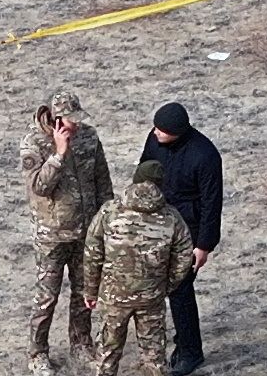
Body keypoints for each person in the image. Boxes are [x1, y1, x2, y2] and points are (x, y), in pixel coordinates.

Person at [23, 91, 115, 373]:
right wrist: (59, 154)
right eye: (70, 120)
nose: (75, 125)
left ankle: (81, 343)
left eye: (77, 119)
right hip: (52, 235)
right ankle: (37, 352)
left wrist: (106, 220)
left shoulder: (89, 137)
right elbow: (39, 186)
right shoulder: (34, 143)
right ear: (56, 118)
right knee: (47, 296)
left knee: (84, 292)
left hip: (85, 232)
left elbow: (102, 181)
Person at [84, 160, 197, 376]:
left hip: (114, 296)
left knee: (108, 353)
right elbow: (184, 255)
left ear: (135, 180)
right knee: (153, 356)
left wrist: (90, 290)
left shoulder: (109, 211)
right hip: (152, 297)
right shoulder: (172, 217)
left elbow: (92, 253)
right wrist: (165, 285)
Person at [140, 102, 226, 374]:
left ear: (177, 131)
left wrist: (204, 245)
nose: (155, 133)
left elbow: (213, 203)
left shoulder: (205, 155)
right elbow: (143, 176)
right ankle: (180, 339)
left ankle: (191, 351)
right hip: (158, 223)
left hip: (188, 231)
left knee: (180, 290)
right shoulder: (154, 140)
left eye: (162, 130)